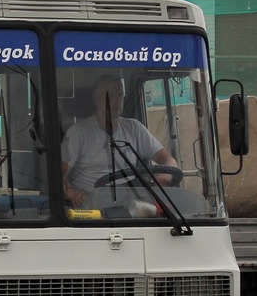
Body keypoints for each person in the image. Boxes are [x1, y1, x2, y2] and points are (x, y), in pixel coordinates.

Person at [62, 75, 178, 207]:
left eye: (120, 94)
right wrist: (71, 193)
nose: (117, 101)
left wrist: (162, 179)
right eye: (110, 96)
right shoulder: (78, 133)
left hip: (132, 205)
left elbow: (169, 162)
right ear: (96, 99)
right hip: (91, 207)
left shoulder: (134, 128)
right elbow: (59, 176)